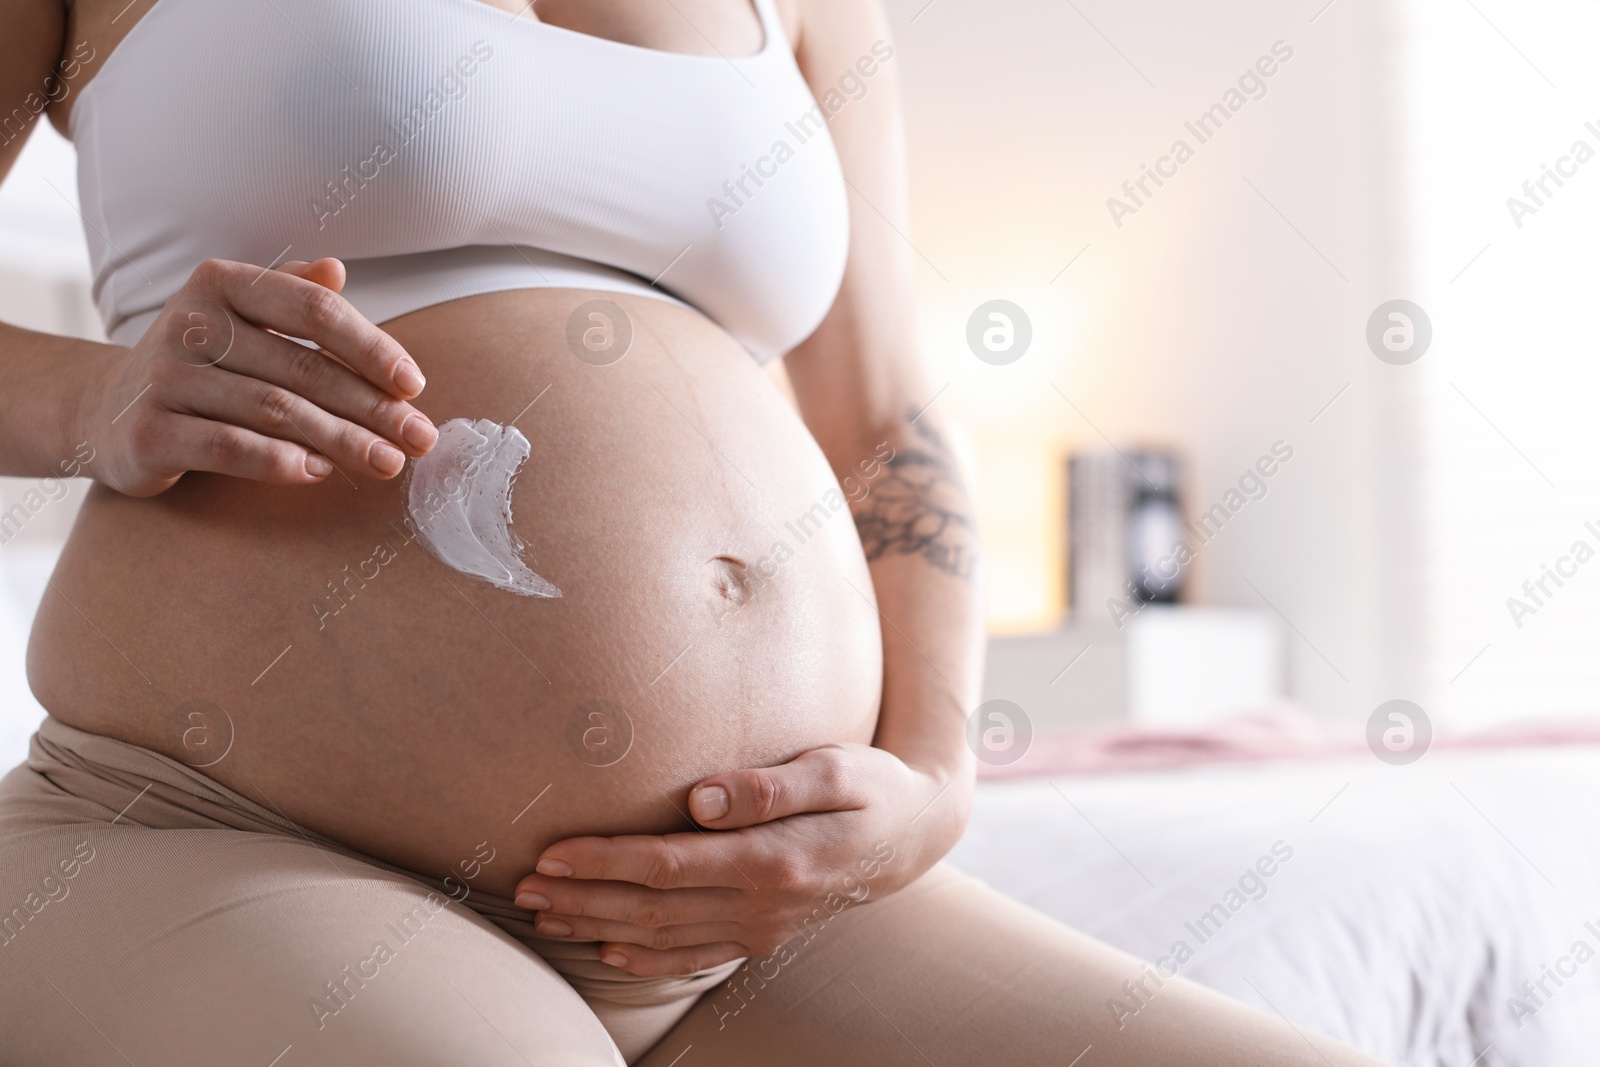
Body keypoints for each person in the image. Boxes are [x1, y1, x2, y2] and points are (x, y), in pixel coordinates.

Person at [0, 0, 1391, 1063]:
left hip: (748, 915)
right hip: (223, 831)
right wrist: (89, 395)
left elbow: (888, 422)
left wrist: (928, 783)